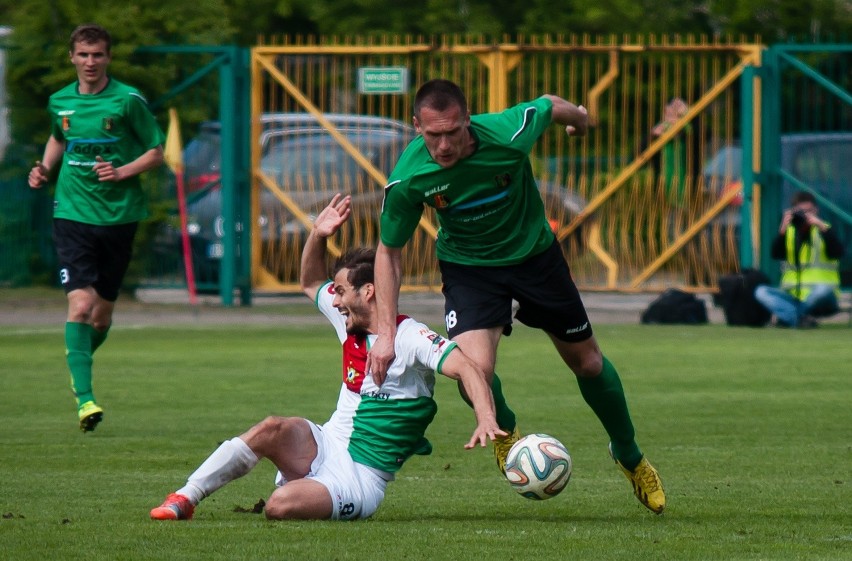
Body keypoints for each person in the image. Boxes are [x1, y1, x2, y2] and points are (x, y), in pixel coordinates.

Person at [367, 79, 666, 514]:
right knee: (473, 372)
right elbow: (388, 254)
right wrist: (385, 333)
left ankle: (629, 455)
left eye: (453, 131)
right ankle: (506, 436)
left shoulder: (508, 133)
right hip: (470, 270)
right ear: (417, 127)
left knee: (589, 363)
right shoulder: (411, 178)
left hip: (535, 258)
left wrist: (580, 119)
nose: (445, 144)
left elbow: (548, 104)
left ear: (468, 120)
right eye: (434, 134)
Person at [150, 194, 503, 521]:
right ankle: (185, 497)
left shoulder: (411, 337)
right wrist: (317, 235)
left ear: (368, 292)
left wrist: (486, 417)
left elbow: (467, 367)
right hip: (324, 443)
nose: (333, 301)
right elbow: (309, 281)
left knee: (279, 506)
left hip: (361, 477)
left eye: (341, 292)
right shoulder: (347, 320)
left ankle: (307, 489)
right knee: (272, 427)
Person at [27, 24, 166, 432]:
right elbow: (58, 138)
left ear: (108, 58)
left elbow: (155, 152)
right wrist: (44, 168)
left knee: (101, 319)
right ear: (72, 57)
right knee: (80, 307)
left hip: (119, 217)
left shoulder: (127, 100)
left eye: (98, 55)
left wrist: (121, 170)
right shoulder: (60, 101)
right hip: (71, 213)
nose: (90, 62)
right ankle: (85, 399)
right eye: (83, 55)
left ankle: (79, 358)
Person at [754, 190, 844, 328]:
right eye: (800, 212)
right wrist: (783, 229)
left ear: (816, 210)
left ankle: (788, 318)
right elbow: (776, 254)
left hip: (821, 297)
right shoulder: (788, 232)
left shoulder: (825, 230)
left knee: (823, 290)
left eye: (809, 211)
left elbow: (837, 252)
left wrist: (820, 226)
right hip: (793, 296)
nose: (805, 215)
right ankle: (799, 319)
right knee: (761, 292)